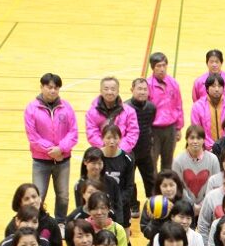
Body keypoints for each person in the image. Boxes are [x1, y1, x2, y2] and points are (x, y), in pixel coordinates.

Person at [25, 73, 78, 219]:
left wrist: (60, 149)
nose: (53, 91)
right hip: (41, 161)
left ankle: (60, 222)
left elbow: (73, 132)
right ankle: (35, 221)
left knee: (63, 195)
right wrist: (52, 150)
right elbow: (33, 136)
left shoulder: (66, 107)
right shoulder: (31, 108)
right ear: (41, 87)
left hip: (63, 160)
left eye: (56, 88)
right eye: (49, 87)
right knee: (38, 195)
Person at [147, 52, 184, 172]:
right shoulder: (147, 85)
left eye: (164, 65)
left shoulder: (173, 83)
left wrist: (178, 128)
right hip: (153, 130)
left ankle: (166, 184)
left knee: (168, 163)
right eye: (158, 66)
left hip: (170, 129)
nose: (162, 69)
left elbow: (178, 105)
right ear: (152, 67)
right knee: (151, 161)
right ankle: (153, 185)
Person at [85, 77, 139, 153]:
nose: (110, 92)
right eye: (106, 89)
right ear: (100, 91)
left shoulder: (129, 111)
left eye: (113, 89)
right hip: (101, 152)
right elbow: (92, 133)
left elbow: (133, 132)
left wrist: (119, 150)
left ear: (118, 91)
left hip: (123, 152)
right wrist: (105, 148)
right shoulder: (92, 112)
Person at [190, 74, 225, 152]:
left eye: (220, 86)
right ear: (207, 89)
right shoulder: (197, 107)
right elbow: (196, 131)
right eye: (213, 86)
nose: (217, 89)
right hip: (205, 150)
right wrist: (209, 147)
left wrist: (223, 145)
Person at [128, 77, 157, 209]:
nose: (142, 92)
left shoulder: (151, 107)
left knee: (151, 179)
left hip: (146, 151)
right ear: (132, 90)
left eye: (145, 89)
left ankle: (153, 204)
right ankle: (134, 205)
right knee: (129, 181)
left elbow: (150, 124)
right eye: (139, 89)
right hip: (130, 152)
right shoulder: (126, 107)